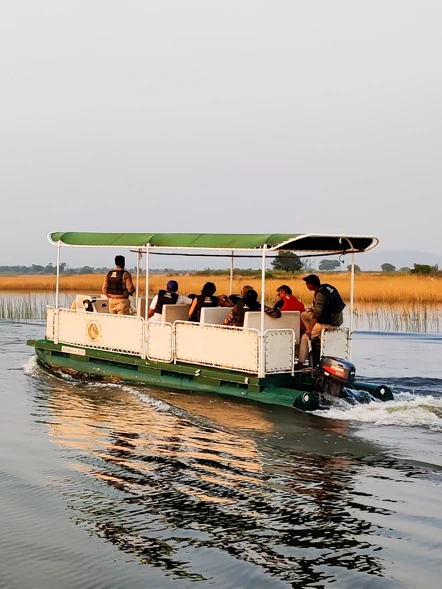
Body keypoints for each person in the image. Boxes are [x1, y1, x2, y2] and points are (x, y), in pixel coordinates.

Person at [298, 274, 345, 366]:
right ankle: (314, 336)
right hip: (337, 319)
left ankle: (300, 363)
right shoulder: (326, 288)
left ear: (312, 285)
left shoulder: (320, 294)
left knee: (304, 338)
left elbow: (317, 314)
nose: (306, 286)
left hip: (329, 323)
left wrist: (310, 329)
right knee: (304, 315)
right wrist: (313, 309)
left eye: (307, 284)